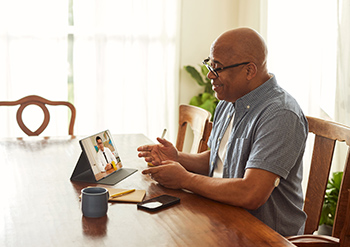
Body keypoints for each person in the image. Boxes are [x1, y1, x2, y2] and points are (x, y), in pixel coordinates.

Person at [137, 27, 308, 236]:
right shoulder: (228, 102)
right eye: (210, 64)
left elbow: (252, 193)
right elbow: (220, 158)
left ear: (249, 71)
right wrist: (178, 158)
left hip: (262, 235)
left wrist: (184, 179)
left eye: (217, 68)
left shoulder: (280, 114)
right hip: (221, 217)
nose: (210, 75)